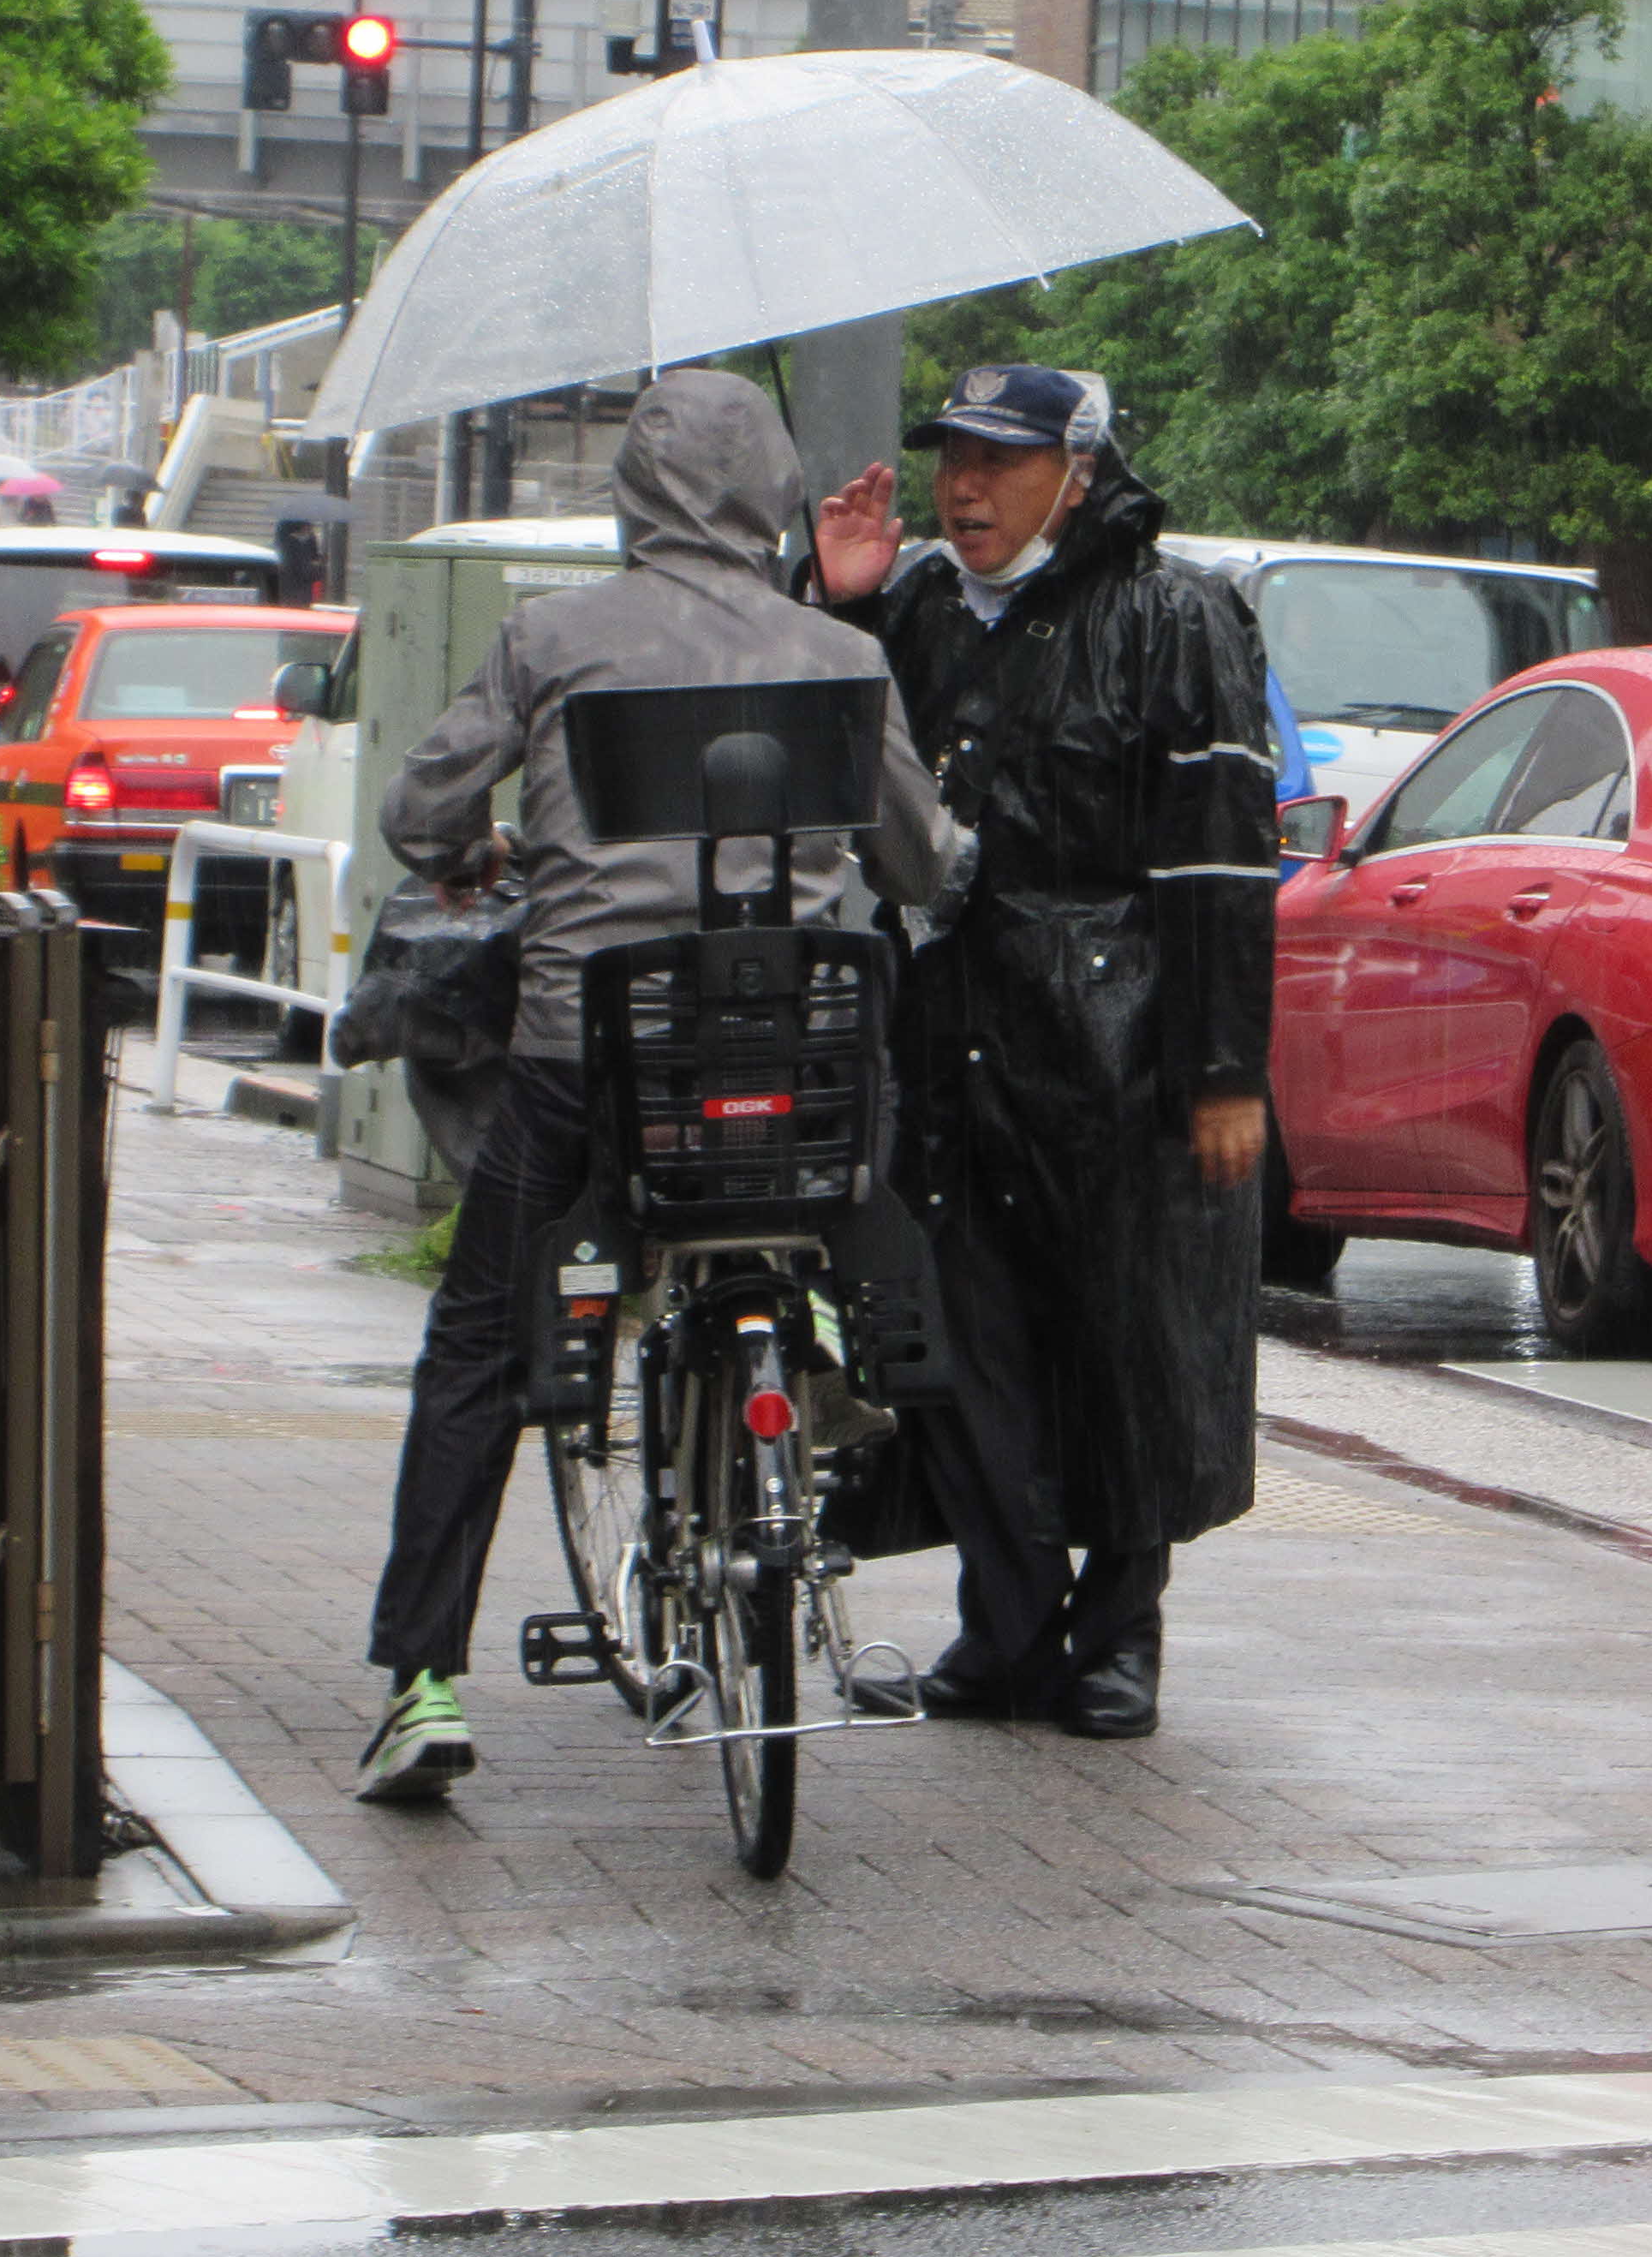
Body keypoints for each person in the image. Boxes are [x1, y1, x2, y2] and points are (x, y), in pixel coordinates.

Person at [356, 371, 959, 1805]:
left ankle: (422, 1683)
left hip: (585, 1063)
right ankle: (809, 1351)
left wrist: (486, 849)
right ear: (769, 491)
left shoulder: (547, 638)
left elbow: (416, 811)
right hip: (795, 1069)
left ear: (630, 493)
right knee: (823, 1187)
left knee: (478, 1353)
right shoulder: (833, 651)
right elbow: (923, 862)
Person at [811, 363, 1277, 1740]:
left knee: (1132, 1342)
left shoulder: (1173, 614)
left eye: (1000, 461)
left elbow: (1221, 859)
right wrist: (831, 598)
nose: (965, 487)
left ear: (1077, 470)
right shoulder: (916, 607)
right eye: (953, 458)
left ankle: (1119, 1633)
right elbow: (829, 745)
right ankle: (1004, 1631)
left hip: (1121, 1040)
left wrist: (1223, 1068)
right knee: (966, 1345)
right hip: (956, 1033)